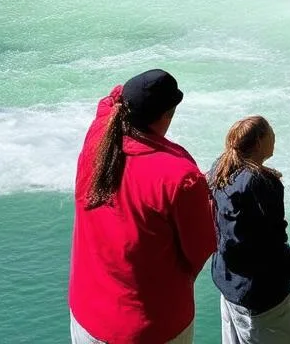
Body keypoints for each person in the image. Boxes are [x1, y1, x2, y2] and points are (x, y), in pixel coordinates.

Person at [68, 69, 217, 344]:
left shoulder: (99, 133)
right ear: (167, 115)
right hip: (150, 328)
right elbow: (201, 249)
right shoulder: (179, 177)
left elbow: (109, 100)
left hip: (87, 316)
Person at [208, 116, 290, 344]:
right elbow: (270, 241)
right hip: (262, 297)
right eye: (271, 134)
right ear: (258, 143)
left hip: (229, 284)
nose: (275, 138)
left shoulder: (220, 169)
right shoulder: (261, 184)